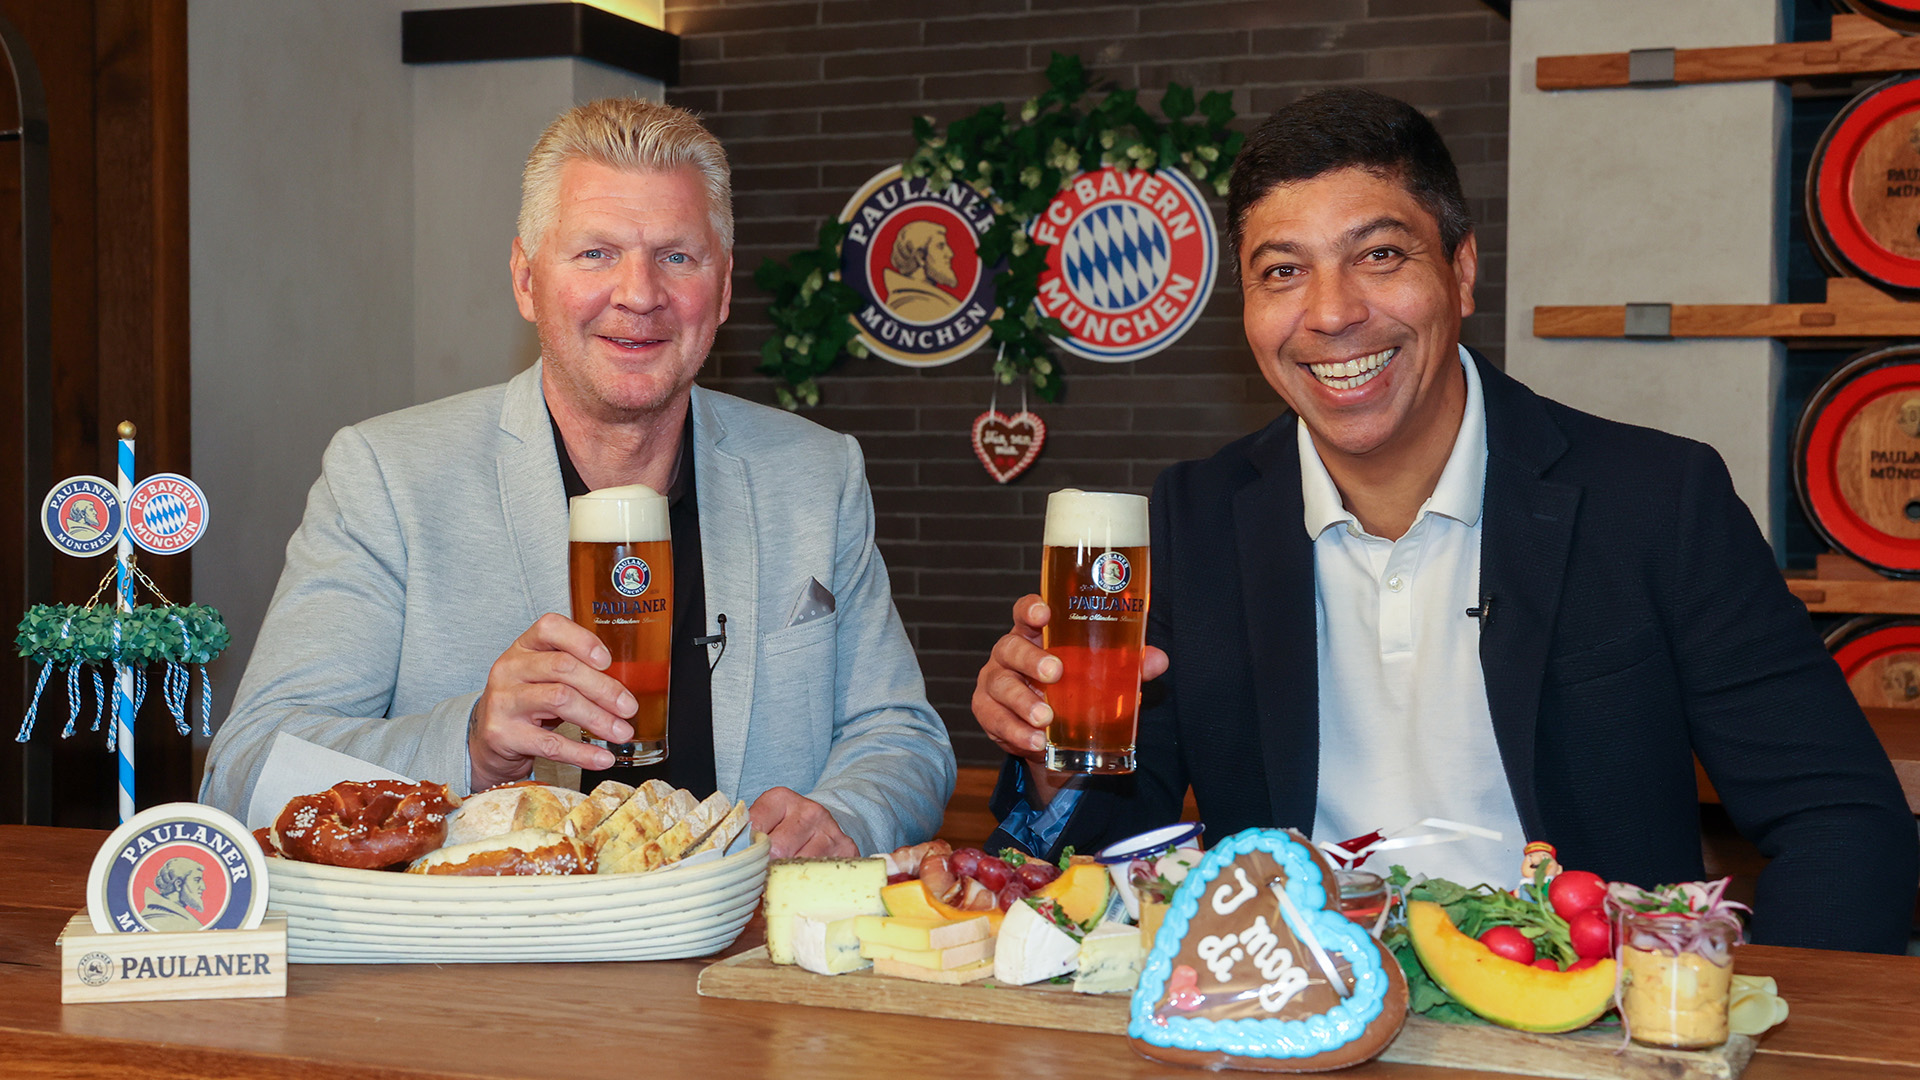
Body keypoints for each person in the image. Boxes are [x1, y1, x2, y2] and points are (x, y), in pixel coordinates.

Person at [972, 87, 1918, 953]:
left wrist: (1727, 1018)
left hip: (1581, 1025)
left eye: (1379, 256)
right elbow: (1117, 844)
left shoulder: (1658, 500)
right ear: (1249, 311)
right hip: (1294, 1020)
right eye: (1282, 272)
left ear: (1462, 271)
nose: (1333, 313)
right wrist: (1054, 760)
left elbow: (1844, 822)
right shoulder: (1190, 518)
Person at [202, 99, 955, 858]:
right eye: (595, 253)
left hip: (738, 956)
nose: (639, 292)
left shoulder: (817, 475)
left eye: (677, 256)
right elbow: (246, 769)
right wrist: (468, 743)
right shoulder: (388, 476)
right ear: (527, 281)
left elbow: (902, 737)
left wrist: (845, 818)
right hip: (492, 964)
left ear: (722, 291)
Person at [140, 857, 206, 931]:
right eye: (197, 880)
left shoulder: (175, 916)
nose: (203, 887)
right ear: (178, 885)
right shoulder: (161, 919)